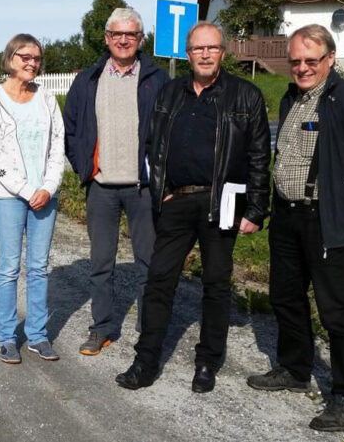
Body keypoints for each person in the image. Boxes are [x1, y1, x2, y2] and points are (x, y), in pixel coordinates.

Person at [246, 24, 344, 432]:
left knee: (336, 312)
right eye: (296, 61)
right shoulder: (292, 98)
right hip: (288, 216)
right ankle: (294, 369)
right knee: (285, 297)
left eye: (311, 60)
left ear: (329, 59)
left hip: (327, 221)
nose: (303, 68)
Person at [116, 22, 271, 393]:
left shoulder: (245, 96)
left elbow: (260, 156)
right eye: (198, 48)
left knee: (216, 285)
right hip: (177, 200)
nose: (205, 54)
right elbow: (152, 144)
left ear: (222, 52)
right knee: (159, 280)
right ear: (188, 54)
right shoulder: (171, 94)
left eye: (212, 48)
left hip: (224, 200)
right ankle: (146, 360)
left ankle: (207, 363)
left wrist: (255, 210)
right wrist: (161, 190)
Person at [63, 8, 170, 355]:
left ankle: (148, 330)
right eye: (117, 34)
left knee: (148, 263)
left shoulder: (157, 79)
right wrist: (85, 168)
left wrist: (162, 178)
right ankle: (103, 328)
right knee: (101, 264)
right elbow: (72, 130)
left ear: (141, 40)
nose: (124, 40)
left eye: (131, 35)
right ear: (107, 38)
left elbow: (171, 132)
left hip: (143, 188)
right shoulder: (88, 79)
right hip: (101, 187)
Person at [0, 34, 65, 364]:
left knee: (39, 267)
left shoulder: (47, 99)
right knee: (9, 268)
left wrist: (49, 186)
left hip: (46, 194)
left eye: (37, 58)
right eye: (25, 56)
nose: (32, 63)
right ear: (10, 59)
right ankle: (6, 336)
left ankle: (38, 336)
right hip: (8, 197)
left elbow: (58, 146)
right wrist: (29, 191)